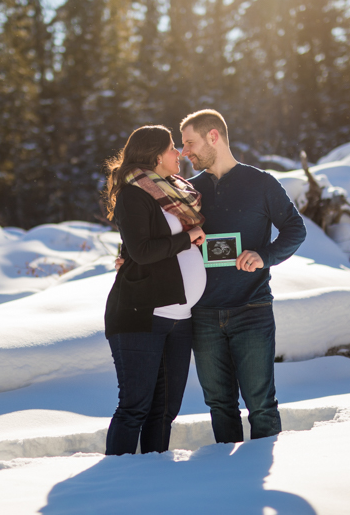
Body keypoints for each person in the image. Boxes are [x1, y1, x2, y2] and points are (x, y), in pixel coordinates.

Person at [180, 109, 306, 444]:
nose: (184, 152)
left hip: (252, 310)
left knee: (262, 406)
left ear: (213, 137)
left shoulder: (262, 183)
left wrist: (264, 256)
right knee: (220, 406)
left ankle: (260, 476)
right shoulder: (189, 192)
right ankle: (228, 481)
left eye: (189, 142)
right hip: (203, 316)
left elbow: (296, 229)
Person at [102, 125, 207, 456]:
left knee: (165, 411)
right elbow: (142, 251)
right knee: (135, 407)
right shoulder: (135, 195)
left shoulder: (176, 193)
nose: (178, 153)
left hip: (180, 318)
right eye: (172, 147)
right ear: (154, 155)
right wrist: (188, 238)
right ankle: (114, 484)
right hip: (141, 314)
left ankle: (154, 479)